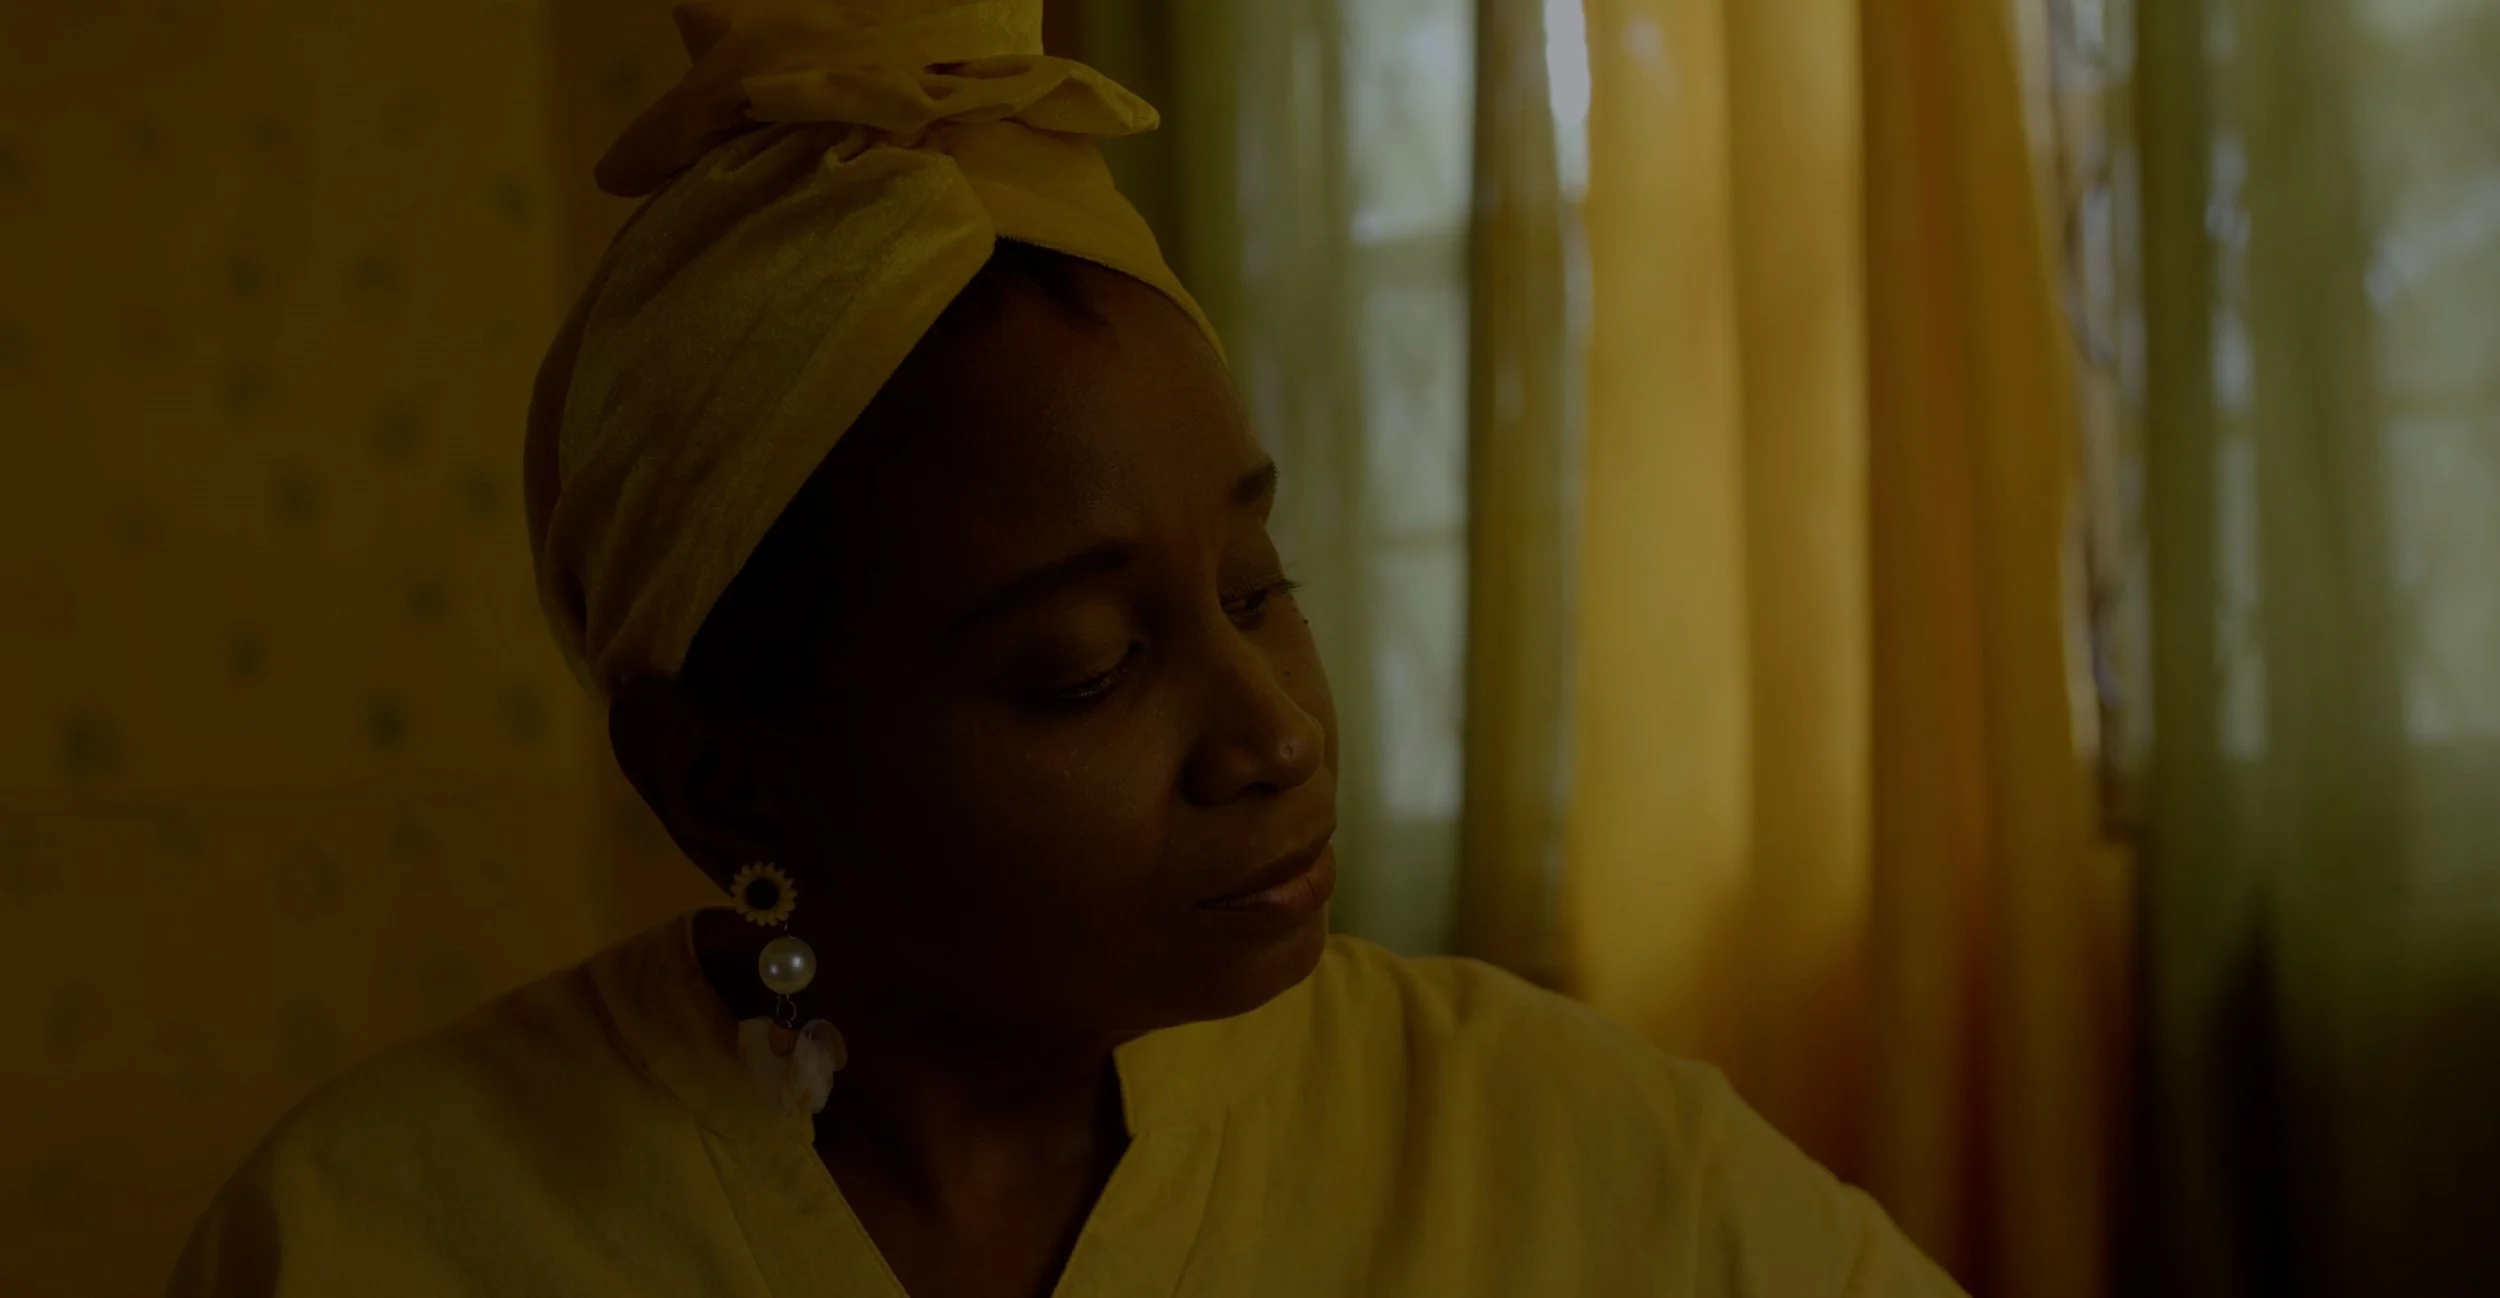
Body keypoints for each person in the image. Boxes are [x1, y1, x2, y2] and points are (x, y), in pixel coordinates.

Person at [170, 2, 1964, 1295]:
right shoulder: (382, 1231)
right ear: (725, 779)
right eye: (1086, 668)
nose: (1270, 731)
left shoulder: (1544, 1149)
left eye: (1257, 583)